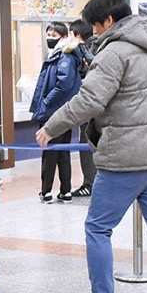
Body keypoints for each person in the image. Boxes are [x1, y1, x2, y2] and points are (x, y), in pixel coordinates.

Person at [36, 0, 147, 293]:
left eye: (95, 24)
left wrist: (51, 127)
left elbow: (89, 101)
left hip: (124, 158)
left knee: (97, 228)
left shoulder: (114, 52)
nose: (94, 32)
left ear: (108, 21)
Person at [30, 21, 83, 203]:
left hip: (55, 112)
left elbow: (63, 84)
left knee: (51, 151)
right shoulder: (59, 54)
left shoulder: (65, 56)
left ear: (63, 36)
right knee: (61, 152)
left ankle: (46, 192)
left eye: (54, 36)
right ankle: (65, 191)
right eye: (48, 35)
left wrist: (46, 100)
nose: (49, 38)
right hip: (61, 111)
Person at [68, 19, 98, 197]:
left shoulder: (84, 50)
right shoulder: (99, 45)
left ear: (78, 35)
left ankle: (90, 183)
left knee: (85, 144)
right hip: (98, 107)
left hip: (88, 105)